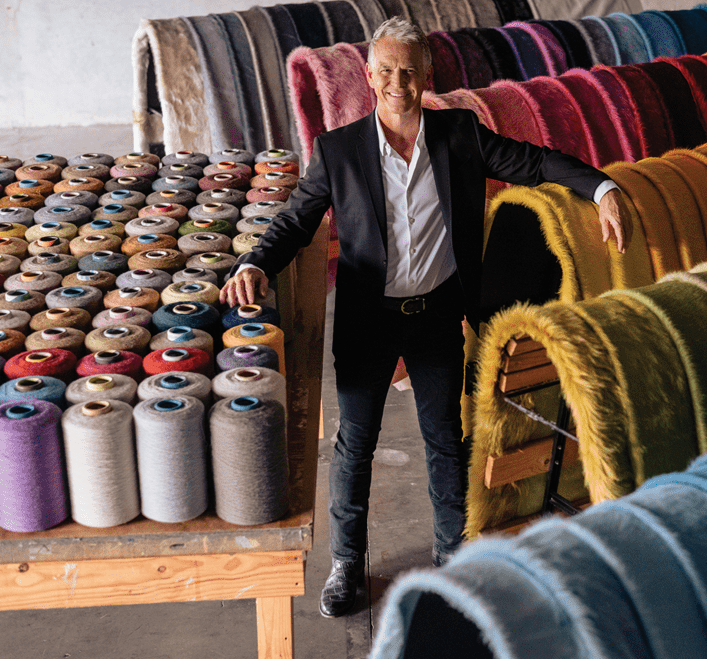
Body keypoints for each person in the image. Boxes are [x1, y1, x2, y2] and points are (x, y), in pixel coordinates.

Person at [220, 16, 629, 618]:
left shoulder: (459, 133)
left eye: (408, 71)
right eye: (385, 70)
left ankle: (451, 559)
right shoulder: (339, 152)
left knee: (445, 441)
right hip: (367, 317)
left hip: (436, 312)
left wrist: (601, 190)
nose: (396, 82)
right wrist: (254, 262)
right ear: (368, 75)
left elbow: (534, 162)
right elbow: (295, 220)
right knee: (355, 444)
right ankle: (346, 564)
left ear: (426, 75)